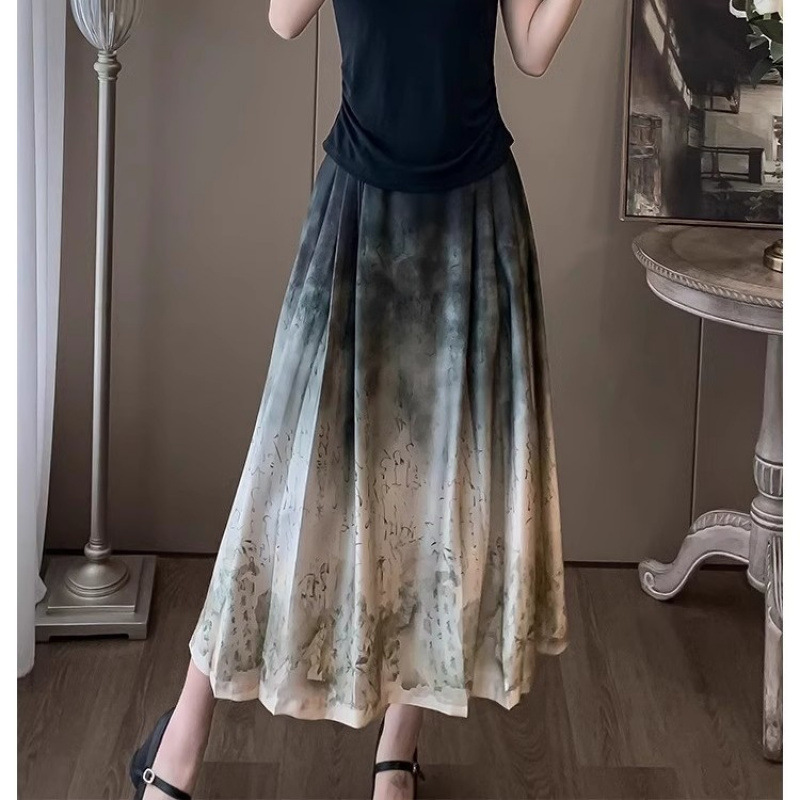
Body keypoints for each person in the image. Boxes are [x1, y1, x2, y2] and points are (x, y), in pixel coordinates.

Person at [129, 0, 581, 798]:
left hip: (472, 220)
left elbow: (532, 48)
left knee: (441, 498)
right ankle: (184, 739)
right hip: (359, 217)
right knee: (281, 487)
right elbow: (284, 19)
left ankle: (397, 753)